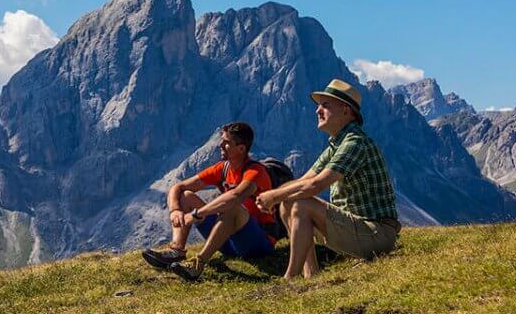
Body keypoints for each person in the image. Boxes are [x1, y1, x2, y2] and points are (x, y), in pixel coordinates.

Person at [256, 79, 400, 280]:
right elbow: (303, 180)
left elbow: (315, 185)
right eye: (318, 105)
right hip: (359, 229)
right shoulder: (336, 145)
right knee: (289, 203)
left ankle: (290, 278)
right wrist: (279, 198)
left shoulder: (355, 142)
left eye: (325, 105)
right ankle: (309, 276)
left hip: (378, 233)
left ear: (345, 110)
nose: (318, 111)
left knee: (301, 204)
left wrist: (273, 195)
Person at [142, 121, 278, 281]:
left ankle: (198, 264)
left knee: (232, 207)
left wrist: (197, 214)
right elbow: (178, 187)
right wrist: (175, 210)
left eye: (226, 143)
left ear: (241, 148)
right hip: (229, 241)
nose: (220, 145)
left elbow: (235, 197)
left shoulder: (255, 172)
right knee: (185, 196)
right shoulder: (223, 168)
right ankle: (176, 251)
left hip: (258, 243)